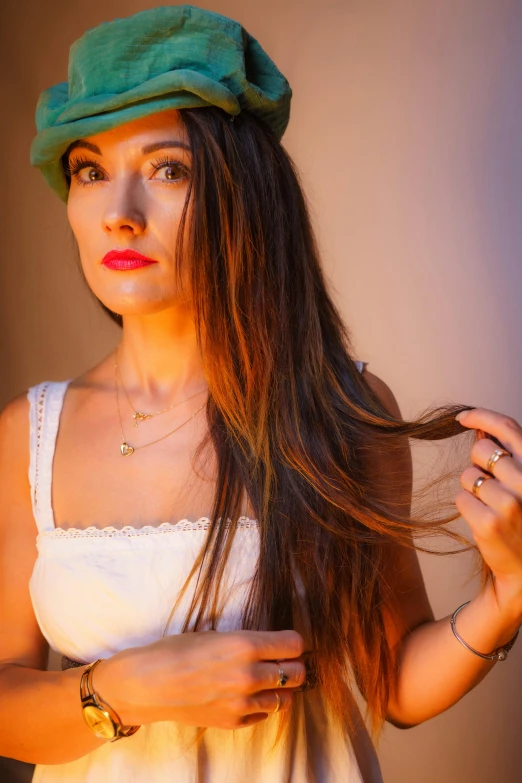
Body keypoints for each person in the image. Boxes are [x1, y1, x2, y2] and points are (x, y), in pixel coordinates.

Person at [1, 4, 521, 782]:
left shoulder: (339, 408)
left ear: (240, 190)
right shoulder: (25, 437)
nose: (119, 215)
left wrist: (508, 594)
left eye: (167, 169)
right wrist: (123, 689)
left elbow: (397, 683)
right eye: (90, 170)